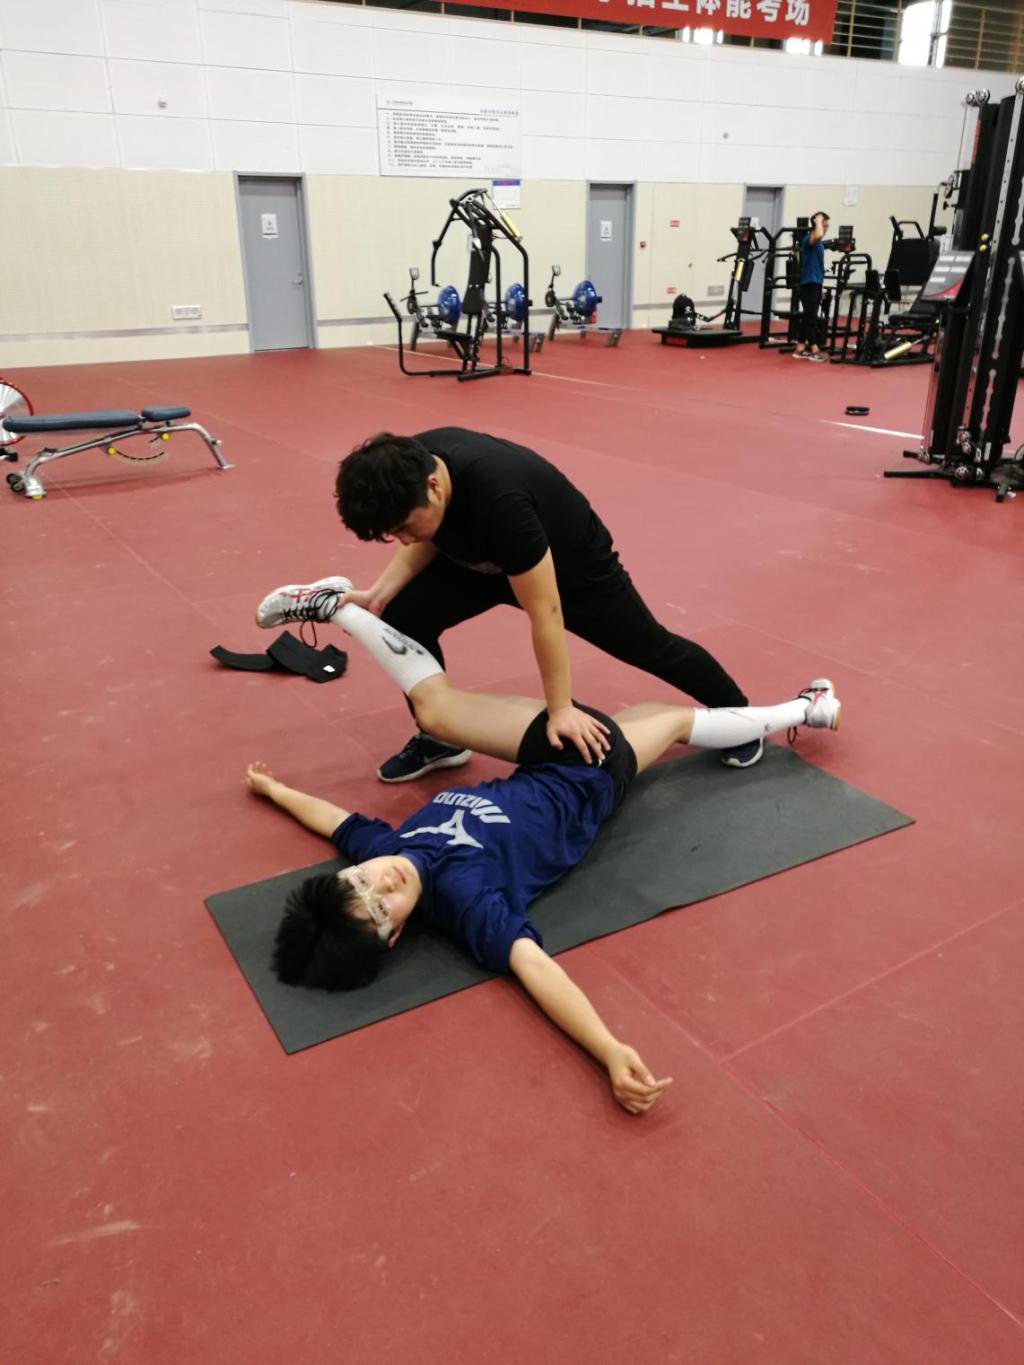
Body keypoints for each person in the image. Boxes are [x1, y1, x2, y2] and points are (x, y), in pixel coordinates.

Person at [247, 575, 842, 1116]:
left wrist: (276, 790)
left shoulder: (388, 847)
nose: (382, 883)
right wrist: (608, 1050)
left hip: (544, 757)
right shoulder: (463, 899)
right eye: (382, 909)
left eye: (360, 881)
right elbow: (533, 966)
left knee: (650, 718)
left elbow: (334, 822)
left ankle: (340, 606)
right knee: (669, 719)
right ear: (396, 933)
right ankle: (805, 709)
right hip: (593, 770)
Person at [333, 427, 761, 784]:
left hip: (573, 569)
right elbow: (424, 536)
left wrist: (561, 709)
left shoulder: (498, 499)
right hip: (483, 562)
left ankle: (740, 716)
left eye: (404, 527)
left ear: (434, 487)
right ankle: (440, 738)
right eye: (394, 533)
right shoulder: (412, 468)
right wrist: (380, 593)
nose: (404, 539)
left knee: (649, 646)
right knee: (402, 617)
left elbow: (546, 613)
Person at [793, 211, 830, 361]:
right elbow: (818, 234)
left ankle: (800, 348)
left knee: (809, 316)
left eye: (826, 225)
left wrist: (821, 287)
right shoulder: (809, 239)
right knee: (811, 318)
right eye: (824, 225)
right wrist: (818, 221)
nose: (826, 228)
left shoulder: (819, 244)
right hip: (808, 283)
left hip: (815, 283)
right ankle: (814, 349)